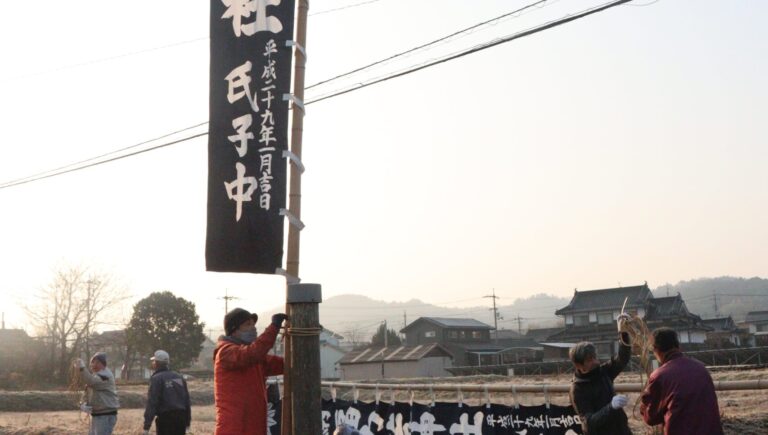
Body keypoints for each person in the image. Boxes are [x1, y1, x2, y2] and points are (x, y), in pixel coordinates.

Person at [214, 308, 287, 435]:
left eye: (254, 324)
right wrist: (273, 328)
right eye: (248, 324)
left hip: (252, 427)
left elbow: (285, 365)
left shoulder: (254, 358)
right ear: (234, 330)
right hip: (234, 429)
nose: (253, 328)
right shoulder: (226, 352)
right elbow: (254, 353)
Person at [640, 327, 724, 435]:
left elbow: (651, 417)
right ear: (678, 346)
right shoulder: (700, 368)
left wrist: (644, 405)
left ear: (656, 350)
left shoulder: (660, 376)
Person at [568, 316, 632, 435]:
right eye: (589, 360)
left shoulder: (603, 371)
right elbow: (589, 422)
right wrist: (611, 407)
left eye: (594, 357)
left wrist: (623, 333)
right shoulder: (577, 389)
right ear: (578, 365)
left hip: (621, 430)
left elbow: (622, 359)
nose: (595, 361)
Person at [142, 350, 192, 435]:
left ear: (156, 363)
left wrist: (147, 426)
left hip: (165, 419)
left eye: (154, 361)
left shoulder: (156, 379)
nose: (153, 363)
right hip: (181, 418)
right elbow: (186, 400)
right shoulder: (179, 377)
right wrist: (187, 423)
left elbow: (152, 402)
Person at [74, 352, 120, 435]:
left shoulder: (105, 376)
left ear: (103, 364)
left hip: (105, 415)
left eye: (97, 362)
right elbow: (89, 390)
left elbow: (91, 382)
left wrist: (81, 369)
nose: (93, 365)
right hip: (98, 414)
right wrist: (84, 404)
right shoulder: (97, 375)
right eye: (92, 362)